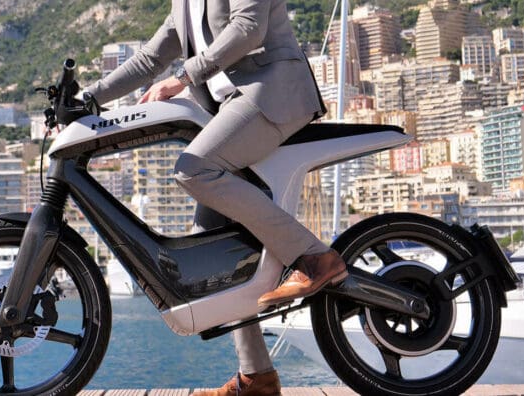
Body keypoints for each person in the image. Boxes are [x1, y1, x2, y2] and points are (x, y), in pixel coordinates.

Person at [83, 1, 348, 395]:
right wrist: (89, 97)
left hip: (271, 94)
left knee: (193, 168)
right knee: (215, 259)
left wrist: (182, 77)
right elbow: (148, 58)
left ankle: (315, 257)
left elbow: (249, 27)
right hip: (232, 109)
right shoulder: (183, 4)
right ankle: (257, 377)